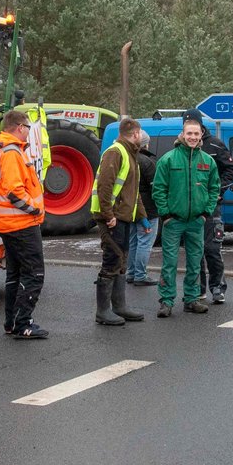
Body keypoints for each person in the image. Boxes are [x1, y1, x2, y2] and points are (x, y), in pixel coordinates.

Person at [0, 110, 48, 339]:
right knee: (34, 274)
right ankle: (23, 324)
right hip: (21, 223)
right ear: (20, 127)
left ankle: (12, 322)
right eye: (29, 128)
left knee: (15, 275)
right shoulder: (11, 153)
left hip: (7, 223)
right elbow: (15, 192)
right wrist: (36, 208)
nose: (30, 132)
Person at [152, 117, 221, 316]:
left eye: (196, 134)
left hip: (196, 222)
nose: (192, 137)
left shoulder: (208, 161)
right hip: (173, 221)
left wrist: (205, 213)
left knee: (195, 262)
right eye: (189, 133)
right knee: (170, 263)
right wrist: (166, 214)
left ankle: (191, 299)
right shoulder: (168, 159)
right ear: (182, 135)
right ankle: (166, 301)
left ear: (201, 136)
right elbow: (159, 189)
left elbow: (214, 188)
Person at [90, 116, 145, 326]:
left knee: (120, 260)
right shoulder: (116, 152)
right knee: (112, 259)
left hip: (122, 216)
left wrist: (142, 217)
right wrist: (108, 215)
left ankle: (119, 306)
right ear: (136, 134)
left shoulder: (129, 153)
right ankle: (103, 311)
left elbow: (133, 190)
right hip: (112, 218)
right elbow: (105, 186)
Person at [182, 107, 233, 304]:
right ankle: (199, 289)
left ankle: (217, 287)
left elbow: (230, 170)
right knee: (194, 250)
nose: (192, 133)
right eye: (187, 126)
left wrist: (218, 192)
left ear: (200, 126)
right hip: (189, 208)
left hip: (211, 206)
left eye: (194, 126)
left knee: (212, 249)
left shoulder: (214, 145)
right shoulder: (180, 148)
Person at [126, 131, 159, 287]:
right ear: (145, 143)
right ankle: (140, 274)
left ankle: (131, 273)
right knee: (145, 243)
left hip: (130, 208)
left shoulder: (128, 158)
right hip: (148, 210)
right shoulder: (147, 162)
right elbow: (155, 189)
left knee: (133, 242)